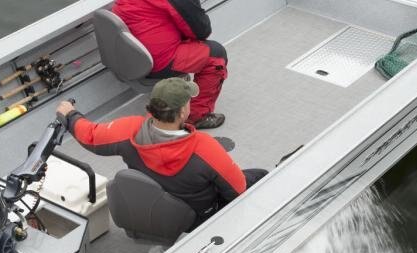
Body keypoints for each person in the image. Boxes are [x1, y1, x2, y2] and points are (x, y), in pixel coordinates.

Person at [56, 78, 265, 223]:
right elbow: (238, 191)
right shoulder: (205, 148)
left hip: (155, 209)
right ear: (182, 112)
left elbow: (90, 135)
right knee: (260, 176)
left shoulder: (128, 130)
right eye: (189, 102)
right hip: (199, 217)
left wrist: (70, 114)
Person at [112, 0, 228, 129]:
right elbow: (201, 31)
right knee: (216, 54)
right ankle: (197, 117)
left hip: (127, 49)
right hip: (156, 60)